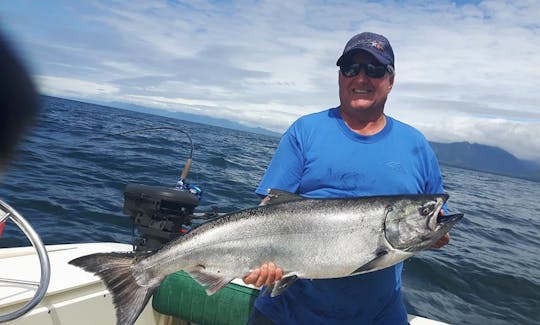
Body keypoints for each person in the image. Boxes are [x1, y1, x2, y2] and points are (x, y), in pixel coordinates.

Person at [243, 32, 450, 324]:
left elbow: (435, 216)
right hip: (287, 314)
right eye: (351, 69)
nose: (362, 78)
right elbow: (269, 209)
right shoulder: (305, 131)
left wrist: (436, 234)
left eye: (375, 69)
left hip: (379, 316)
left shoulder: (416, 145)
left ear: (391, 80)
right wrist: (261, 262)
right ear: (340, 77)